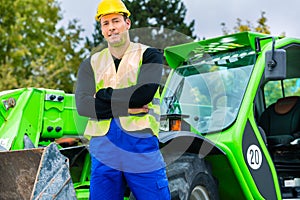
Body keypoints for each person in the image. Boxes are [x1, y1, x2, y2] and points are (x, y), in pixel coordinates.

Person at [75, 0, 171, 199]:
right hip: (103, 147)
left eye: (116, 21)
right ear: (101, 29)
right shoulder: (90, 64)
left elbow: (143, 95)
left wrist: (101, 96)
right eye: (105, 23)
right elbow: (83, 106)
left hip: (140, 144)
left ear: (127, 23)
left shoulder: (149, 55)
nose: (111, 28)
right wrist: (129, 108)